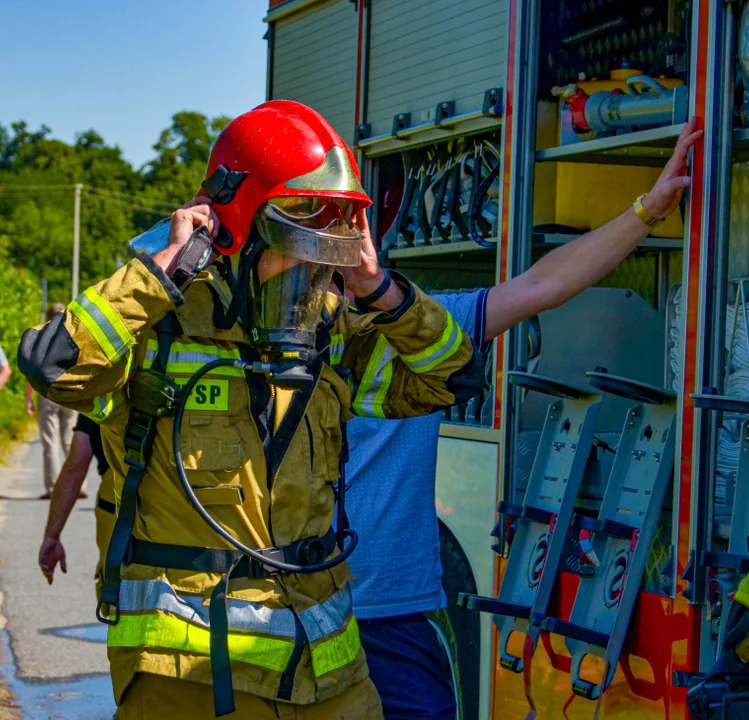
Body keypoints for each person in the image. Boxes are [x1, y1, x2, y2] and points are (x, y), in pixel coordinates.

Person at [19, 100, 478, 720]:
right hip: (189, 676)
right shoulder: (156, 331)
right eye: (291, 252)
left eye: (322, 257)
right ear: (231, 235)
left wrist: (379, 288)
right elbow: (54, 363)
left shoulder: (327, 331)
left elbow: (448, 377)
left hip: (330, 676)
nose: (310, 279)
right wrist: (160, 275)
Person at [346, 120, 703, 718]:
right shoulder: (267, 340)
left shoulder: (421, 324)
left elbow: (544, 283)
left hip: (393, 615)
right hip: (299, 609)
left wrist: (647, 211)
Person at [38, 414, 111, 585]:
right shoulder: (185, 393)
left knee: (123, 594)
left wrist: (52, 534)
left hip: (119, 512)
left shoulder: (104, 392)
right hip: (180, 511)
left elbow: (75, 467)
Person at [26, 303, 80, 500]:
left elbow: (31, 369)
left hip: (47, 392)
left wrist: (28, 399)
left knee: (50, 442)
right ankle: (78, 486)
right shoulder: (74, 337)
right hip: (69, 392)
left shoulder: (39, 337)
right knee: (69, 439)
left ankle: (53, 488)